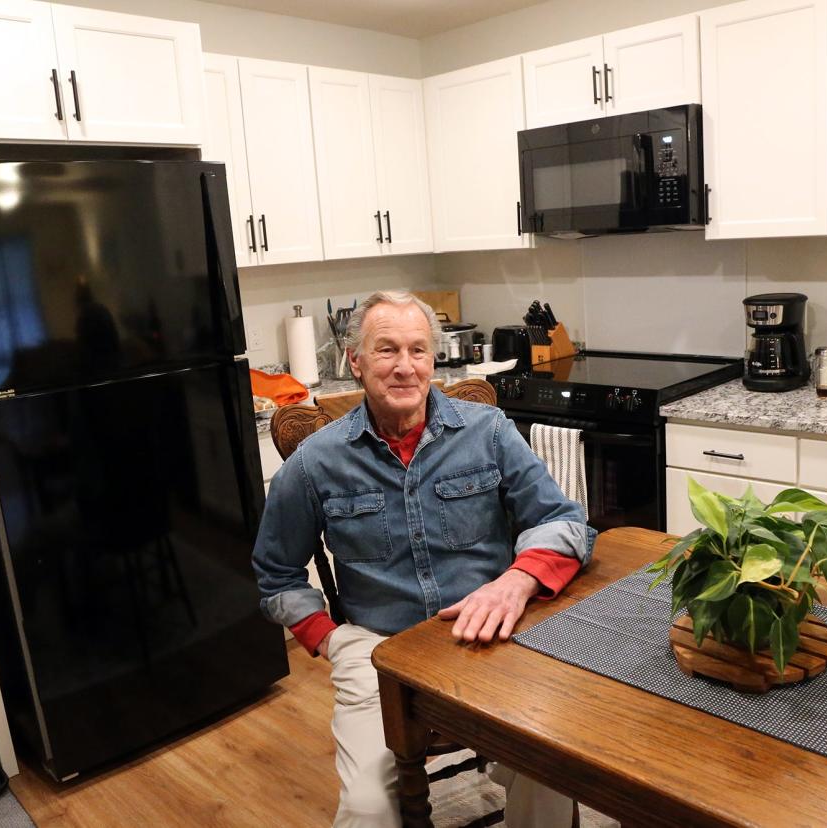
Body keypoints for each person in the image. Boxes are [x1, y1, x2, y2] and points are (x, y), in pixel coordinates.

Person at [253, 290, 595, 827]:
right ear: (356, 362)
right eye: (386, 350)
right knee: (367, 810)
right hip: (377, 650)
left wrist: (517, 582)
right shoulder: (317, 462)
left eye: (418, 350)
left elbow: (565, 522)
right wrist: (331, 638)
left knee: (550, 767)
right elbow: (275, 574)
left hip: (492, 637)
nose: (405, 367)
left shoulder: (489, 432)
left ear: (434, 360)